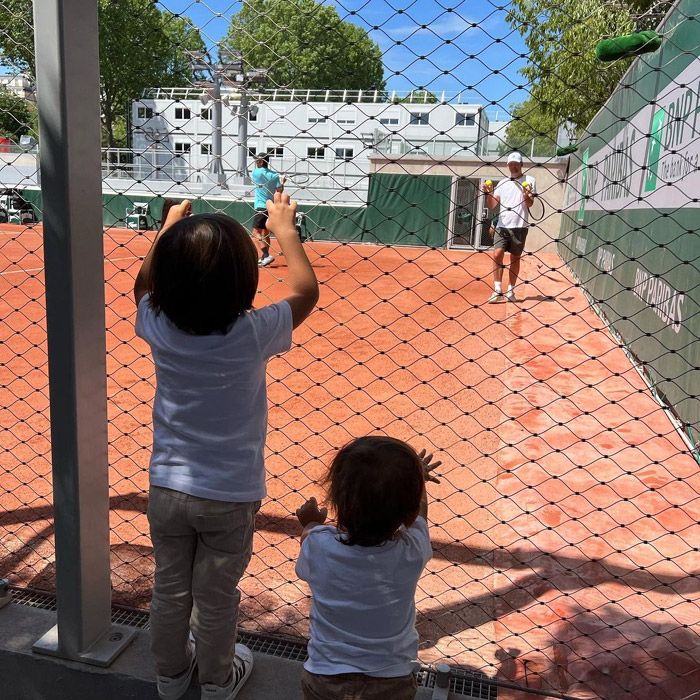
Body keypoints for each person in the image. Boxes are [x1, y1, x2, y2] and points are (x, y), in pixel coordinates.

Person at [133, 192, 319, 700]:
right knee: (215, 597)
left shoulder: (157, 322)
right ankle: (217, 681)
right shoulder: (252, 332)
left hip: (167, 486)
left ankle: (170, 677)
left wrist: (168, 228)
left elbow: (142, 285)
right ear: (244, 282)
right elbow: (306, 292)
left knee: (169, 587)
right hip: (231, 494)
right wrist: (285, 230)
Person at [295, 436, 441, 700]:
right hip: (392, 682)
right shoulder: (412, 552)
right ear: (407, 514)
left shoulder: (318, 545)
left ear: (339, 503)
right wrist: (418, 483)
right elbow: (420, 517)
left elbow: (309, 536)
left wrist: (309, 523)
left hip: (325, 678)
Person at [482, 151, 537, 303]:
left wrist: (527, 194)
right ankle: (497, 290)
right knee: (497, 254)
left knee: (515, 258)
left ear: (521, 164)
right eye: (510, 164)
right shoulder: (502, 183)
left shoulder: (530, 180)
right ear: (507, 165)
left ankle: (511, 291)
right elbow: (493, 205)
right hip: (502, 226)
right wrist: (489, 193)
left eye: (516, 163)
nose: (513, 166)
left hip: (520, 227)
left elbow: (530, 204)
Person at [251, 152, 286, 267]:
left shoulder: (256, 172)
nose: (255, 162)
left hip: (261, 206)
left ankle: (266, 255)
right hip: (270, 207)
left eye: (257, 160)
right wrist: (282, 182)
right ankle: (264, 257)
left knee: (255, 233)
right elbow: (279, 191)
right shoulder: (275, 175)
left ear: (261, 162)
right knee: (265, 233)